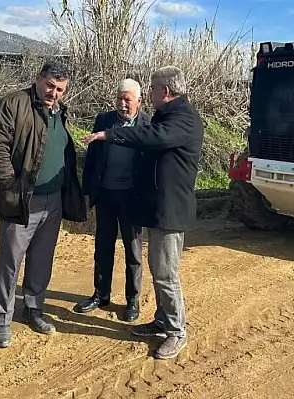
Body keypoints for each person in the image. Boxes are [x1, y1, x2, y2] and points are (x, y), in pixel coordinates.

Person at [82, 66, 204, 359]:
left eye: (150, 89)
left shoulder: (183, 118)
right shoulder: (170, 115)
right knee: (159, 270)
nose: (149, 94)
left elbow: (153, 137)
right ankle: (162, 320)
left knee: (165, 274)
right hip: (158, 207)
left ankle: (177, 332)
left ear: (164, 91)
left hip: (171, 210)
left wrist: (110, 136)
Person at [0, 59, 87, 349]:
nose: (54, 93)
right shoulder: (14, 104)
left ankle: (34, 309)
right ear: (38, 79)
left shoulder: (59, 112)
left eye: (61, 90)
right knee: (9, 261)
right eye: (51, 86)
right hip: (22, 198)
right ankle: (1, 320)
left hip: (52, 200)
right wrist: (10, 183)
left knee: (42, 258)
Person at [74, 79, 150, 322]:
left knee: (133, 251)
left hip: (132, 198)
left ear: (139, 100)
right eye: (119, 98)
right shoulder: (104, 120)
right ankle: (101, 294)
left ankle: (132, 300)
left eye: (128, 99)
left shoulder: (148, 125)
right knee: (102, 248)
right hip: (105, 194)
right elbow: (92, 161)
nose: (123, 103)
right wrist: (87, 193)